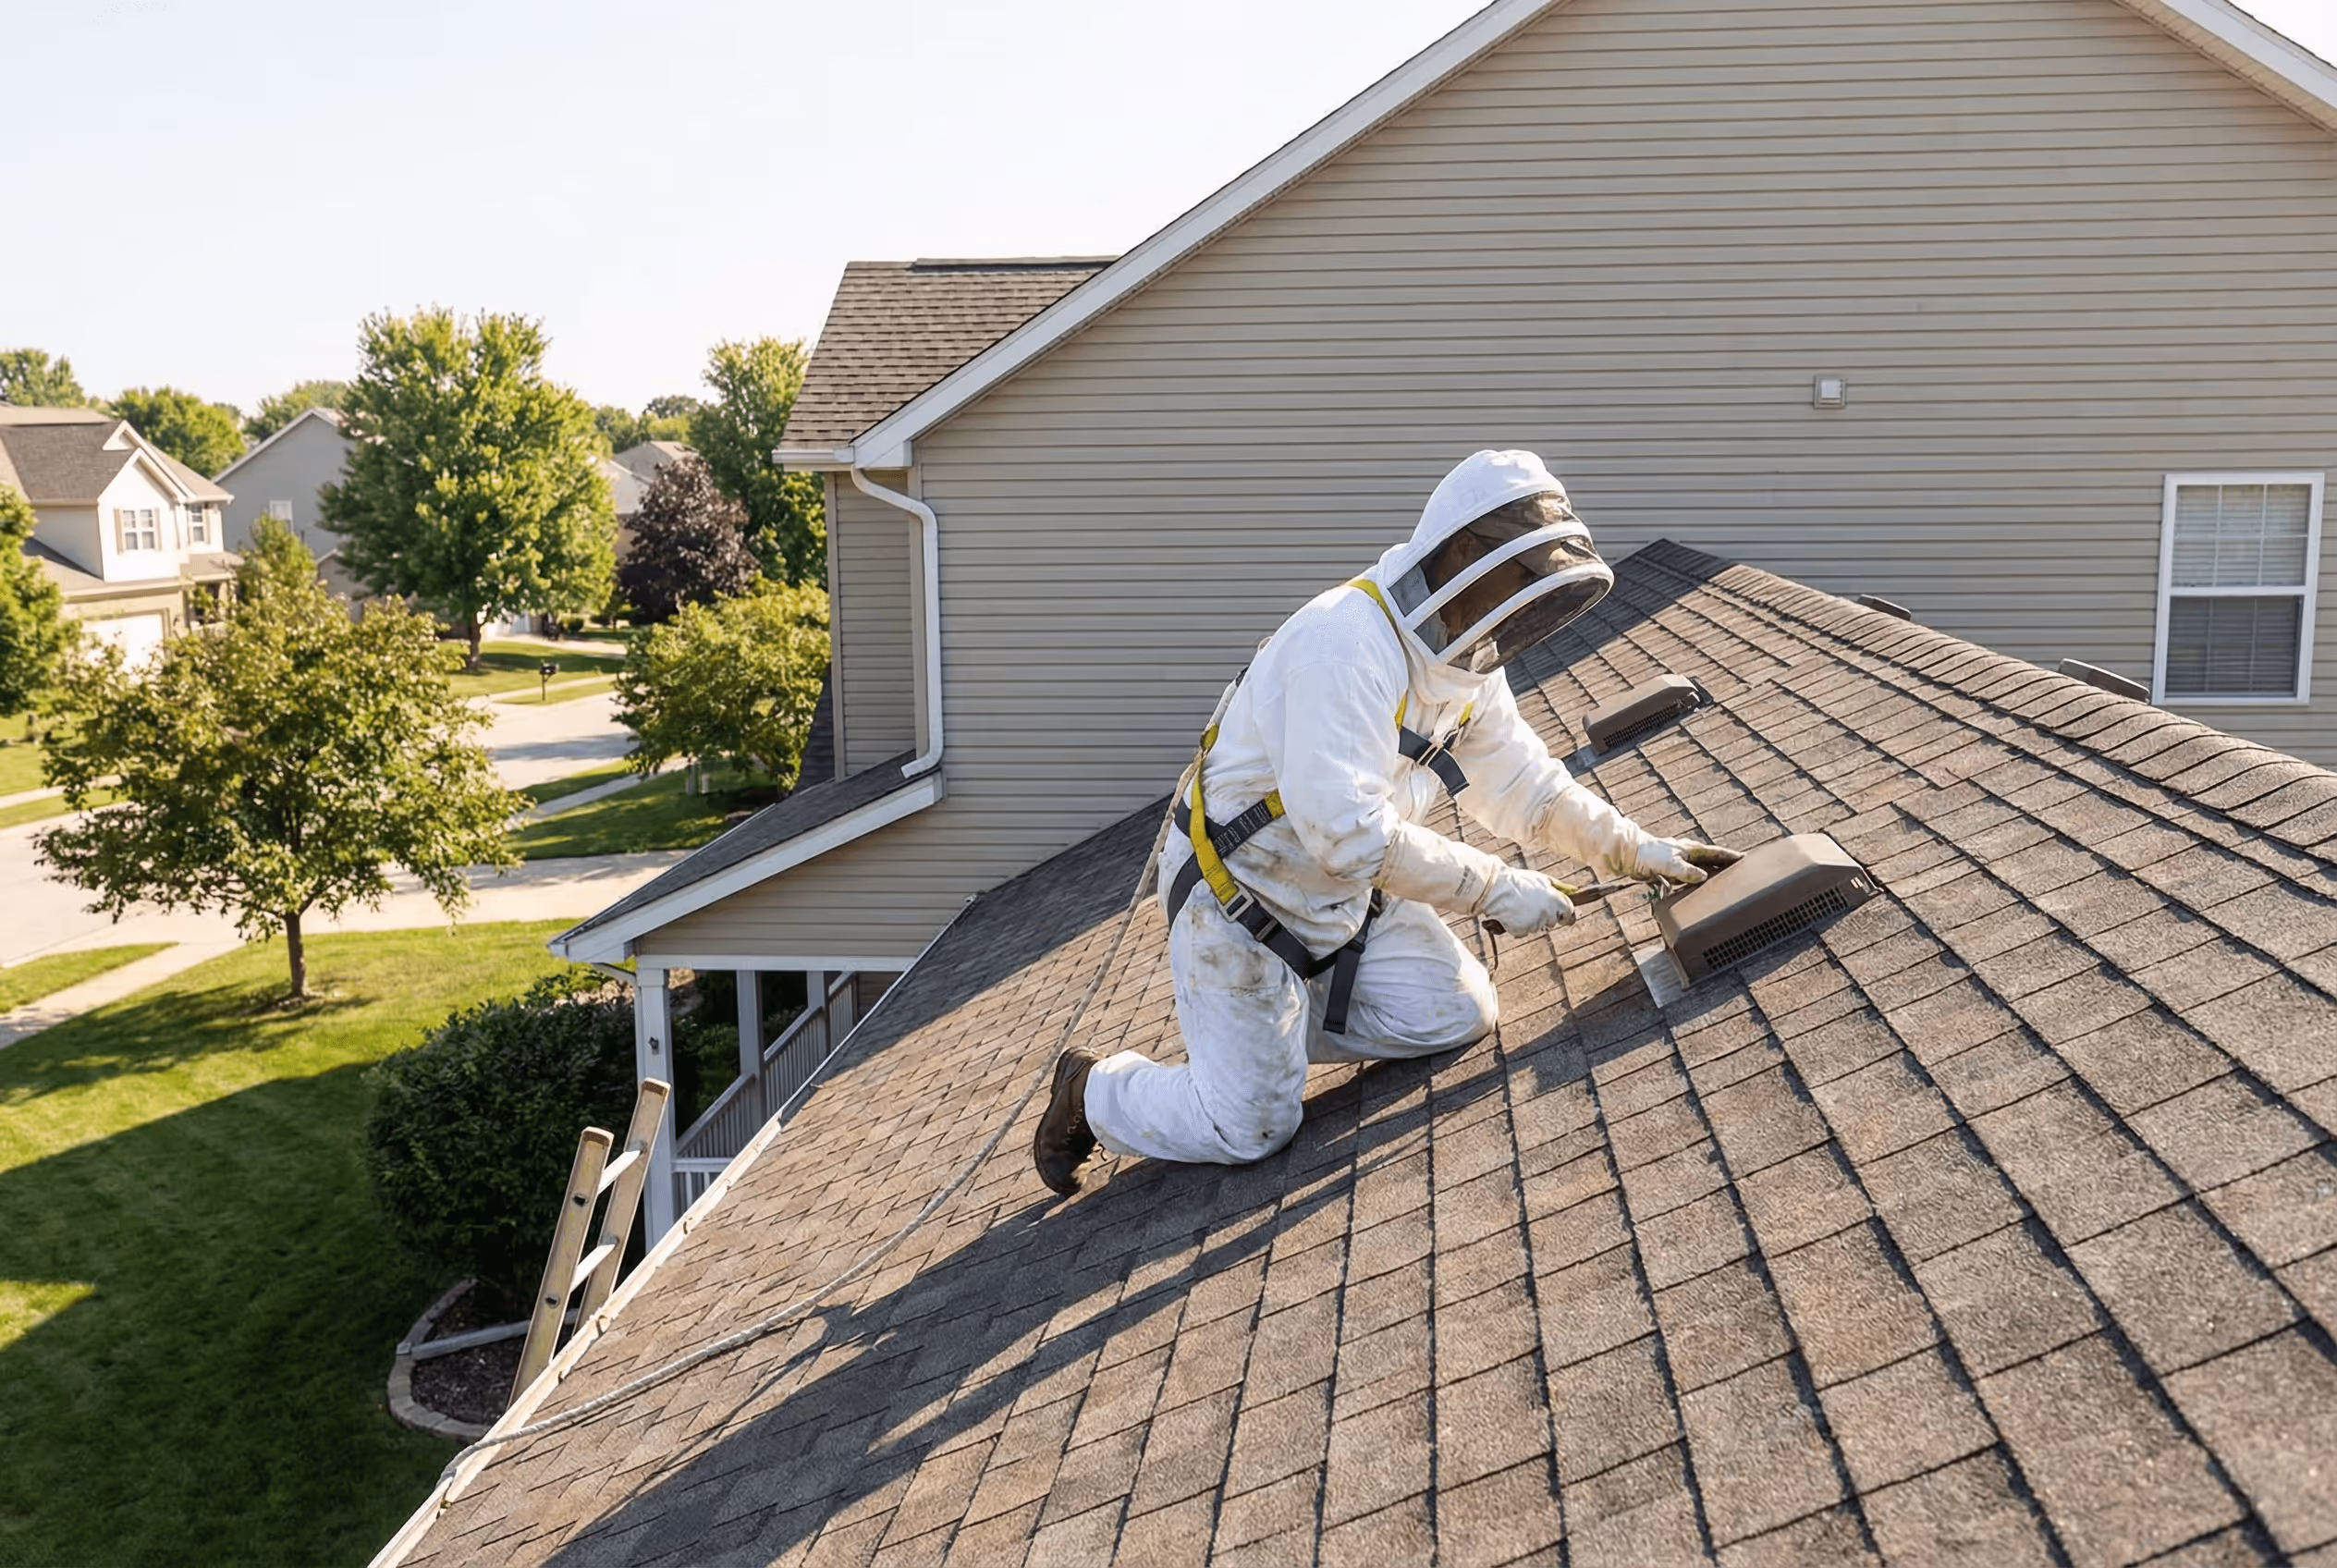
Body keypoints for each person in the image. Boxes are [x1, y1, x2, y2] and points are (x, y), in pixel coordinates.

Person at [1033, 450, 1739, 1194]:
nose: (1531, 600)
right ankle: (1095, 1092)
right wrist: (1495, 889)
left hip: (1350, 896)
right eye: (1524, 575)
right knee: (1251, 1127)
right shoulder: (1341, 644)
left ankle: (1279, 1022)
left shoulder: (1467, 666)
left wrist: (1635, 849)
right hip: (1238, 898)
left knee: (1457, 1014)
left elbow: (1528, 790)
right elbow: (1343, 830)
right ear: (1467, 551)